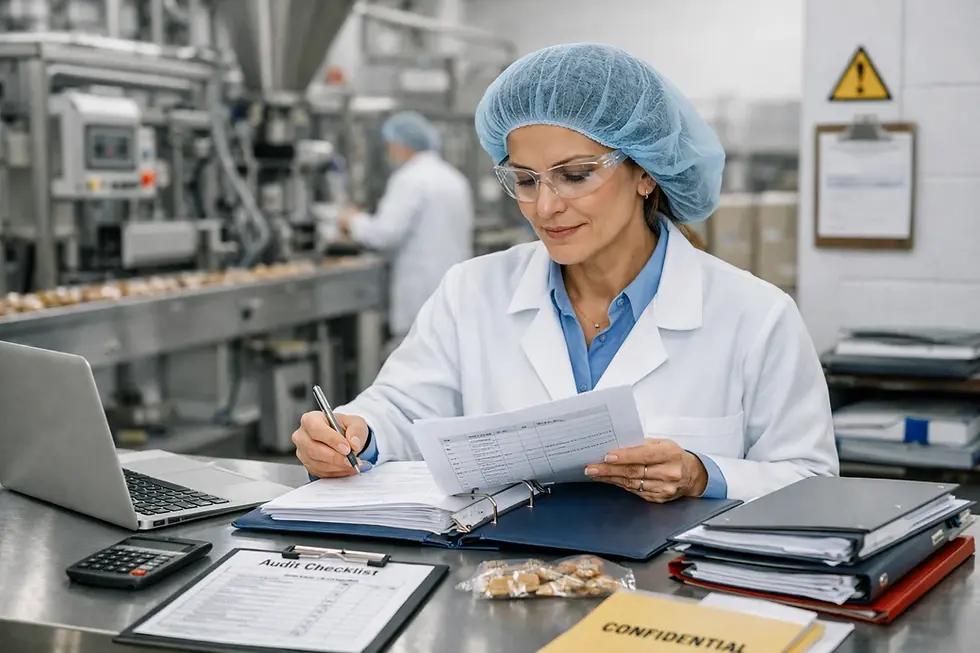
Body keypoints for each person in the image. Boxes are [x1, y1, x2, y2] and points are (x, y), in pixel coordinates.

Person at [294, 43, 838, 502]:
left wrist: (705, 474)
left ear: (646, 173)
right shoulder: (473, 292)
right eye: (526, 180)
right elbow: (401, 411)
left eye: (575, 175)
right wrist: (354, 434)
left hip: (672, 604)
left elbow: (813, 482)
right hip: (502, 593)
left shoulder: (755, 315)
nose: (546, 207)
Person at [337, 110, 474, 354]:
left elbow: (384, 234)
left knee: (418, 368)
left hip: (420, 294)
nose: (390, 151)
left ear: (402, 144)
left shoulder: (409, 179)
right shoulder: (454, 178)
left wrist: (352, 220)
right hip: (454, 291)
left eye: (390, 145)